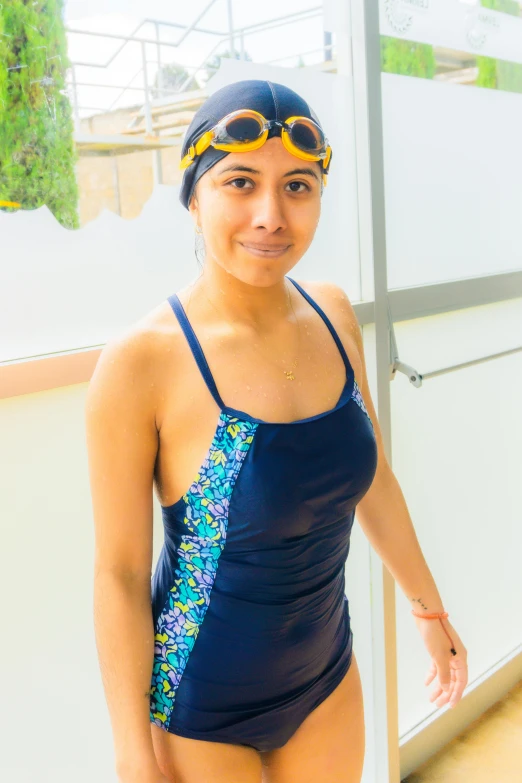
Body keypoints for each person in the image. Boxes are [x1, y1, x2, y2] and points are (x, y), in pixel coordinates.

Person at [85, 79, 468, 783]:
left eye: (297, 185)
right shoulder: (142, 361)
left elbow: (373, 477)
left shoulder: (331, 313)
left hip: (324, 674)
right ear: (194, 197)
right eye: (240, 182)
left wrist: (429, 606)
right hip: (198, 706)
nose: (270, 215)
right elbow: (119, 573)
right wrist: (132, 753)